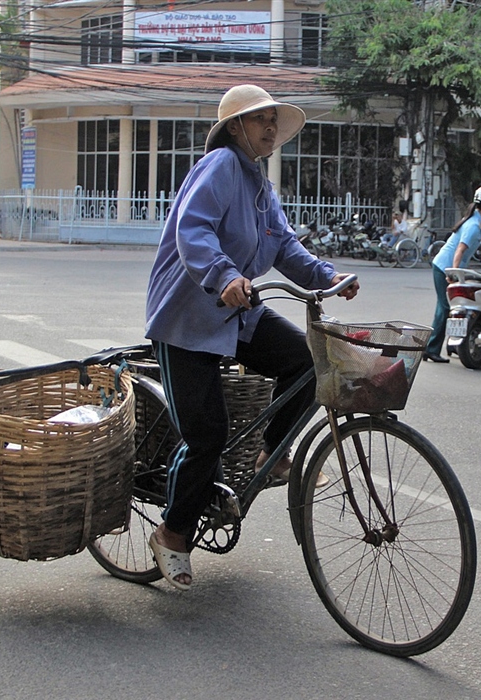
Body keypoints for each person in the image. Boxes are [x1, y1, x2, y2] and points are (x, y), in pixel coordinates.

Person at [144, 84, 359, 590]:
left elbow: (283, 245)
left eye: (272, 120)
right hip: (188, 320)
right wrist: (224, 275)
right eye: (260, 120)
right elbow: (192, 230)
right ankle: (173, 534)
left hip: (236, 313)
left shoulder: (260, 185)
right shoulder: (219, 166)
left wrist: (326, 277)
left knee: (307, 360)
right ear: (234, 127)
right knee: (207, 437)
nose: (269, 129)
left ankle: (271, 452)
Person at [423, 186, 481, 363]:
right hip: (445, 267)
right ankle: (433, 349)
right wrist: (453, 273)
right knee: (446, 308)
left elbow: (479, 236)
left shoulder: (475, 221)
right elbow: (460, 250)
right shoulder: (473, 225)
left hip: (443, 266)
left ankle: (433, 348)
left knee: (443, 309)